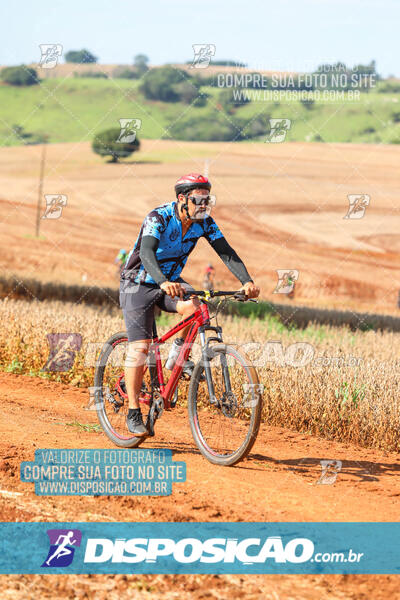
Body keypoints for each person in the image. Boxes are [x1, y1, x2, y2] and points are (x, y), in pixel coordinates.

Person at [120, 173, 260, 436]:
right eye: (198, 201)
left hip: (169, 282)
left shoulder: (204, 222)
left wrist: (247, 281)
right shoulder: (158, 218)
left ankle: (176, 358)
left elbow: (225, 251)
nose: (204, 206)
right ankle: (133, 411)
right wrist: (162, 282)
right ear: (182, 199)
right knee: (140, 347)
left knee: (194, 306)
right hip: (138, 283)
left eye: (208, 200)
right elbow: (147, 253)